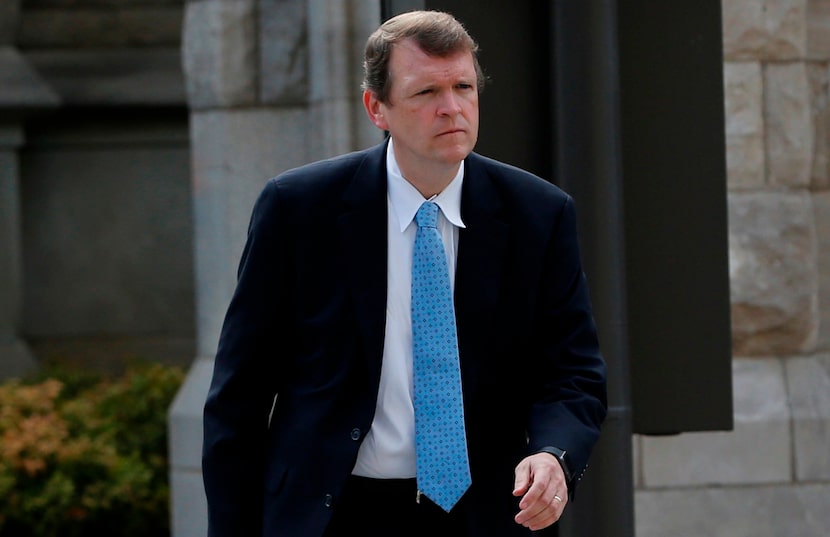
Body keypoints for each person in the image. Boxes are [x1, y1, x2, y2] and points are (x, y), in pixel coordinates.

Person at [202, 9, 607, 537]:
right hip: (334, 511)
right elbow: (241, 394)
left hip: (485, 513)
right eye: (425, 93)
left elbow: (574, 373)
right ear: (378, 108)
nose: (452, 108)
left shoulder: (539, 214)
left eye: (464, 86)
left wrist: (554, 455)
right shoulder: (299, 209)